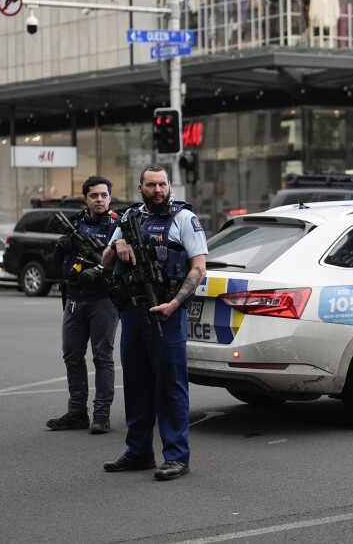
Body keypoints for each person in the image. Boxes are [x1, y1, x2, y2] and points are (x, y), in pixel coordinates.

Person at [101, 164, 207, 481]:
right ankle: (138, 452)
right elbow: (104, 262)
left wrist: (175, 304)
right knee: (136, 385)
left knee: (170, 387)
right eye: (151, 185)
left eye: (162, 184)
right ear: (141, 187)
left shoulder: (184, 219)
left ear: (169, 186)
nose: (157, 190)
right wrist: (116, 245)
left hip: (168, 312)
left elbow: (199, 268)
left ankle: (176, 457)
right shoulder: (129, 218)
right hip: (133, 312)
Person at [46, 176, 121, 434]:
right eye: (94, 195)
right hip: (75, 298)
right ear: (85, 199)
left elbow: (126, 261)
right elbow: (60, 264)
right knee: (72, 355)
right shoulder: (75, 224)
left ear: (110, 198)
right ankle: (77, 412)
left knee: (102, 357)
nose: (99, 199)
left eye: (103, 195)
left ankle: (102, 414)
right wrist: (61, 247)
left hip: (103, 298)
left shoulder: (118, 226)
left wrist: (101, 270)